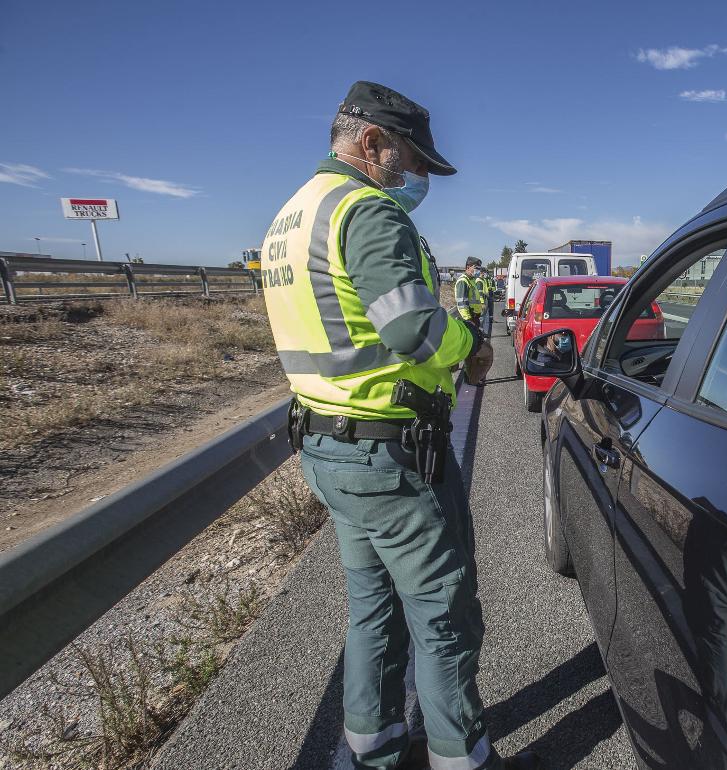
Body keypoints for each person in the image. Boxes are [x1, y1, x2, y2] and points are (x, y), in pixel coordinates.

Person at [259, 80, 535, 770]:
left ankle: (371, 749)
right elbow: (411, 325)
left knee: (372, 608)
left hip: (328, 446)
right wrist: (471, 350)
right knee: (444, 615)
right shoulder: (366, 210)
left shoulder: (292, 216)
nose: (416, 179)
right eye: (412, 161)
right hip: (389, 453)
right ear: (371, 142)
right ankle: (460, 758)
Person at [455, 258, 486, 328]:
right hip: (469, 319)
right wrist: (468, 320)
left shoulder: (472, 280)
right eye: (476, 268)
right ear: (468, 267)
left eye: (479, 268)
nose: (478, 270)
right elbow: (462, 303)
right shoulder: (463, 281)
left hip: (475, 317)